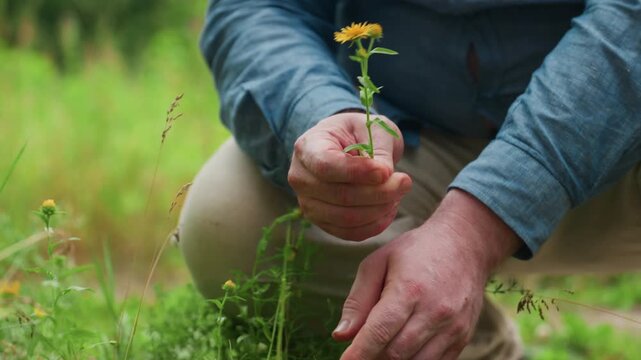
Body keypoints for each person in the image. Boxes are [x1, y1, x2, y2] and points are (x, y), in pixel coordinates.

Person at [178, 0, 641, 359]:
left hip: (622, 139)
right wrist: (321, 113)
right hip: (419, 135)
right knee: (231, 218)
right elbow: (261, 11)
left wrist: (475, 227)